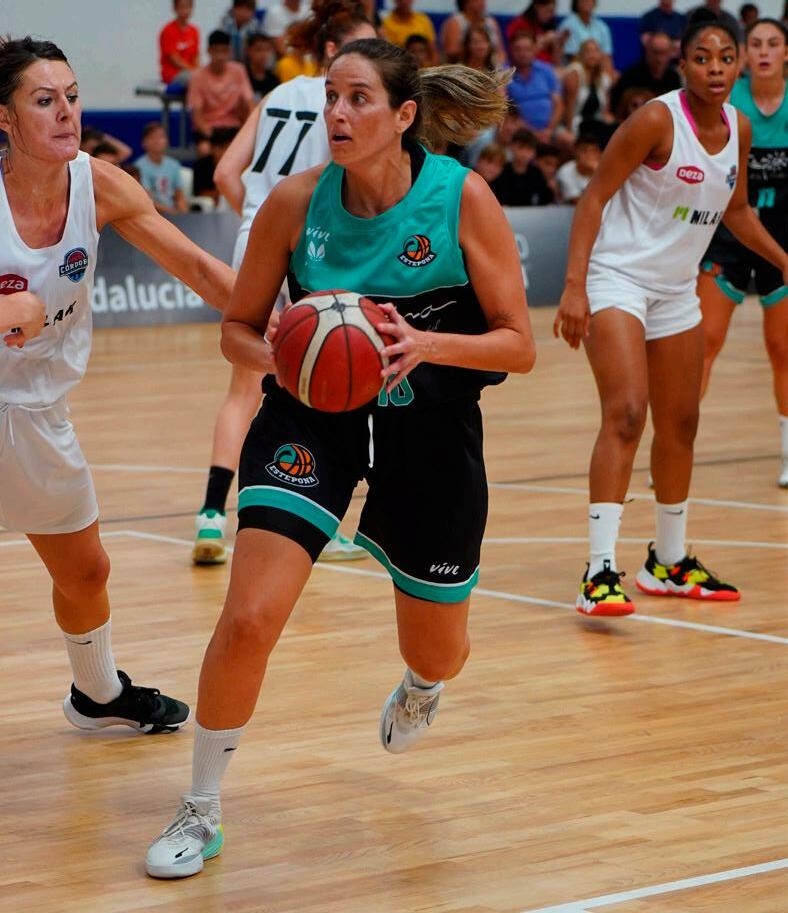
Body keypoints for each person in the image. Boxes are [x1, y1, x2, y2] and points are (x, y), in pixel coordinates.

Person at [145, 37, 535, 879]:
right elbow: (236, 328)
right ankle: (200, 805)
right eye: (330, 97)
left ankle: (423, 684)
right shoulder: (295, 202)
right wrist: (284, 355)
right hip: (310, 421)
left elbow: (519, 343)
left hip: (430, 429)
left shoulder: (461, 198)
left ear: (403, 115)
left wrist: (425, 343)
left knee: (439, 650)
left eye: (358, 98)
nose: (336, 114)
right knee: (249, 617)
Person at [0, 37, 235, 734]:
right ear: (5, 118)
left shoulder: (98, 184)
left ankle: (97, 695)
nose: (66, 112)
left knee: (86, 574)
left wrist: (277, 322)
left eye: (71, 97)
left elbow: (196, 266)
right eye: (44, 100)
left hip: (37, 412)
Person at [553, 15, 787, 616]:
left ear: (738, 64)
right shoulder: (656, 120)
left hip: (677, 289)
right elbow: (594, 196)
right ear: (683, 65)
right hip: (617, 279)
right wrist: (574, 287)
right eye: (702, 58)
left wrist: (785, 260)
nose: (716, 68)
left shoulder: (738, 127)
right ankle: (598, 571)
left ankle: (669, 561)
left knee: (681, 423)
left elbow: (737, 211)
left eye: (726, 57)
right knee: (627, 412)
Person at [193, 0, 377, 565]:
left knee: (242, 389)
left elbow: (226, 173)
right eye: (364, 45)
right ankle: (327, 517)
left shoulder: (275, 94)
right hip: (310, 243)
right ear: (333, 50)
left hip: (255, 239)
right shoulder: (344, 105)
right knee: (337, 371)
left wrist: (257, 221)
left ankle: (210, 515)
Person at [698, 18, 788, 487]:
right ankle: (676, 442)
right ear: (745, 55)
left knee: (783, 349)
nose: (764, 51)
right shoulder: (728, 105)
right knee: (703, 344)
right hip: (729, 238)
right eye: (756, 44)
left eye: (773, 44)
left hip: (782, 242)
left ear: (786, 53)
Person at [187, 30, 254, 155]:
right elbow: (197, 116)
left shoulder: (239, 71)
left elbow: (249, 103)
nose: (220, 56)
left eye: (224, 51)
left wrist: (248, 129)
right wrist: (214, 138)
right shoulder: (197, 77)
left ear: (229, 51)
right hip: (209, 129)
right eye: (216, 51)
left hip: (233, 126)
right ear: (209, 51)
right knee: (205, 150)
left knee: (247, 150)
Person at [507, 32, 572, 149]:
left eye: (527, 49)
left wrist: (549, 130)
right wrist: (533, 133)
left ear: (534, 50)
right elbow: (509, 113)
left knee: (569, 140)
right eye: (518, 49)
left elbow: (559, 105)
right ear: (511, 51)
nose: (523, 54)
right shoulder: (504, 74)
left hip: (551, 129)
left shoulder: (546, 70)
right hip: (520, 130)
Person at [609, 30, 682, 115]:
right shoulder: (631, 77)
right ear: (647, 52)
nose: (659, 59)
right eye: (655, 53)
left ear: (670, 53)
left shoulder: (674, 78)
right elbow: (615, 109)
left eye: (663, 53)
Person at [135, 122, 189, 214]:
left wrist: (184, 213)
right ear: (144, 142)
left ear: (167, 141)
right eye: (152, 137)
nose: (157, 141)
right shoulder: (138, 167)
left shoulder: (174, 165)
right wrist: (172, 212)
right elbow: (147, 200)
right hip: (150, 214)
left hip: (173, 214)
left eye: (161, 137)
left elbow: (179, 196)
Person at [562, 38, 613, 134]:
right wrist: (569, 131)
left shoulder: (604, 79)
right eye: (588, 51)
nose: (592, 55)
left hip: (596, 121)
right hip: (576, 122)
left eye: (595, 51)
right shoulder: (575, 72)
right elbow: (569, 106)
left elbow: (605, 111)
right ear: (581, 54)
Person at [491, 128, 554, 204]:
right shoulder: (502, 171)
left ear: (534, 151)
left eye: (529, 149)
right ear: (511, 146)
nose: (524, 153)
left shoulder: (537, 173)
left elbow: (545, 201)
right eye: (521, 147)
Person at [440, 0, 504, 66]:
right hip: (463, 68)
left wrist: (500, 65)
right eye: (477, 0)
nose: (482, 2)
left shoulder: (492, 22)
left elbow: (501, 51)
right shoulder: (455, 23)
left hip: (492, 66)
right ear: (466, 3)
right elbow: (451, 53)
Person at [560, 0, 615, 74]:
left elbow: (607, 57)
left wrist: (608, 75)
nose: (587, 2)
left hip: (599, 70)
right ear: (576, 3)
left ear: (594, 3)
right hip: (576, 70)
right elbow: (572, 58)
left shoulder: (602, 27)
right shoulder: (568, 25)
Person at [506, 0, 565, 66]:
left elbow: (557, 62)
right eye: (547, 11)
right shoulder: (519, 24)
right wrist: (544, 40)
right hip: (527, 67)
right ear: (537, 7)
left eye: (553, 12)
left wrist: (559, 44)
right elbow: (520, 55)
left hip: (548, 67)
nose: (551, 15)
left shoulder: (547, 26)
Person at [192, 126, 239, 204]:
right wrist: (218, 193)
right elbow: (198, 193)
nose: (225, 152)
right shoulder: (200, 166)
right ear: (212, 148)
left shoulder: (239, 166)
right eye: (222, 147)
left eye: (229, 148)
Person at [159, 0, 200, 85]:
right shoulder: (168, 31)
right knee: (197, 79)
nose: (185, 11)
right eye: (182, 7)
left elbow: (196, 56)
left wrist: (199, 69)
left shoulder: (194, 31)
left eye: (188, 7)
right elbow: (174, 59)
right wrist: (193, 70)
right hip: (173, 74)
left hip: (191, 72)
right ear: (175, 8)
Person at [556, 132, 601, 202]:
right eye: (584, 150)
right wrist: (596, 172)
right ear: (576, 151)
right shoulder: (565, 171)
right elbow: (577, 201)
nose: (589, 154)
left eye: (593, 150)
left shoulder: (604, 169)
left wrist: (597, 172)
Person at [245, 32, 280, 101]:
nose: (264, 54)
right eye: (259, 50)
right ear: (248, 51)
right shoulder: (242, 75)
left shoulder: (273, 79)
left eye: (267, 50)